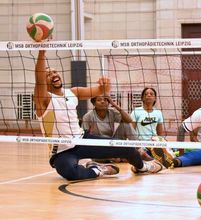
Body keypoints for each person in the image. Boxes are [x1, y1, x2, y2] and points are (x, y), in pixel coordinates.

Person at [34, 50, 163, 181]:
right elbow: (39, 80)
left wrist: (105, 85)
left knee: (127, 148)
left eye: (55, 72)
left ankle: (142, 167)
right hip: (61, 150)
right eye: (48, 74)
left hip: (82, 139)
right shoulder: (43, 100)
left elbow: (101, 90)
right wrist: (42, 53)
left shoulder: (73, 92)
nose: (53, 75)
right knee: (70, 172)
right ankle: (99, 169)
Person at [130, 87, 175, 168]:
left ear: (155, 98)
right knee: (138, 154)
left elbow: (160, 133)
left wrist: (161, 143)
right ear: (142, 98)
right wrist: (137, 145)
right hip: (141, 144)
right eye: (146, 94)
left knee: (171, 152)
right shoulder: (136, 111)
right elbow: (131, 131)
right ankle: (151, 159)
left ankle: (155, 158)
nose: (149, 95)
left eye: (151, 94)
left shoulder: (158, 113)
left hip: (154, 144)